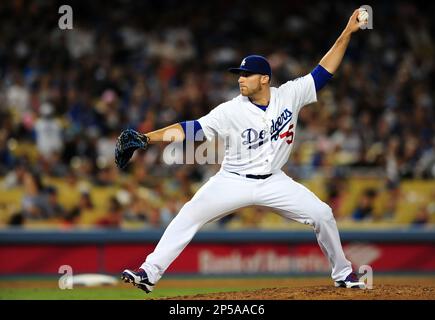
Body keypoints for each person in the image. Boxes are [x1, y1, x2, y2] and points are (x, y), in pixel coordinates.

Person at [121, 9, 368, 292]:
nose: (240, 79)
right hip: (232, 180)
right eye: (239, 74)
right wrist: (147, 139)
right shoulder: (230, 109)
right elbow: (192, 129)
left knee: (322, 213)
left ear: (264, 78)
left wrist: (347, 32)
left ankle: (343, 273)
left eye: (247, 75)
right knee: (189, 215)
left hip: (274, 180)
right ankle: (148, 273)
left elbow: (325, 70)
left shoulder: (289, 95)